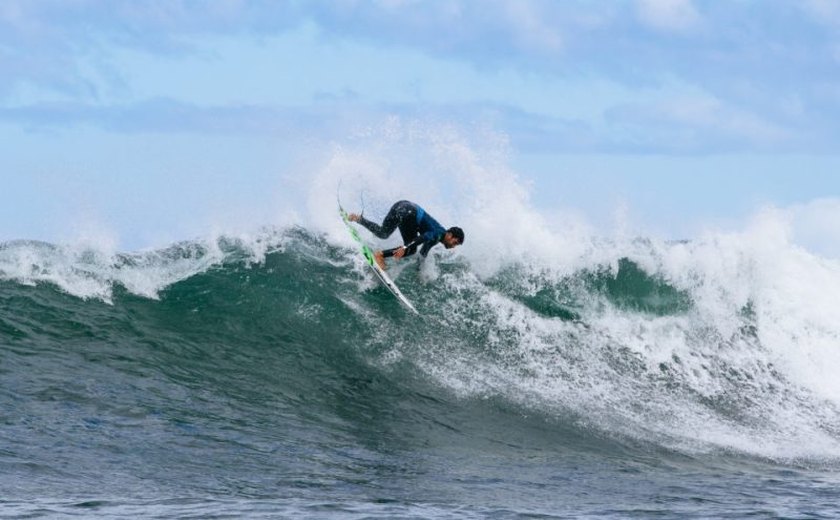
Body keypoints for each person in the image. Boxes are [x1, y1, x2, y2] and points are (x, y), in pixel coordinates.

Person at [348, 200, 464, 270]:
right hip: (409, 213)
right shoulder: (438, 234)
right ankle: (380, 255)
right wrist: (404, 248)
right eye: (455, 242)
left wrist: (420, 271)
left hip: (401, 205)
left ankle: (359, 219)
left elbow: (423, 253)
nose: (453, 246)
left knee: (383, 233)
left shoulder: (437, 237)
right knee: (411, 249)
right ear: (449, 235)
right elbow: (422, 238)